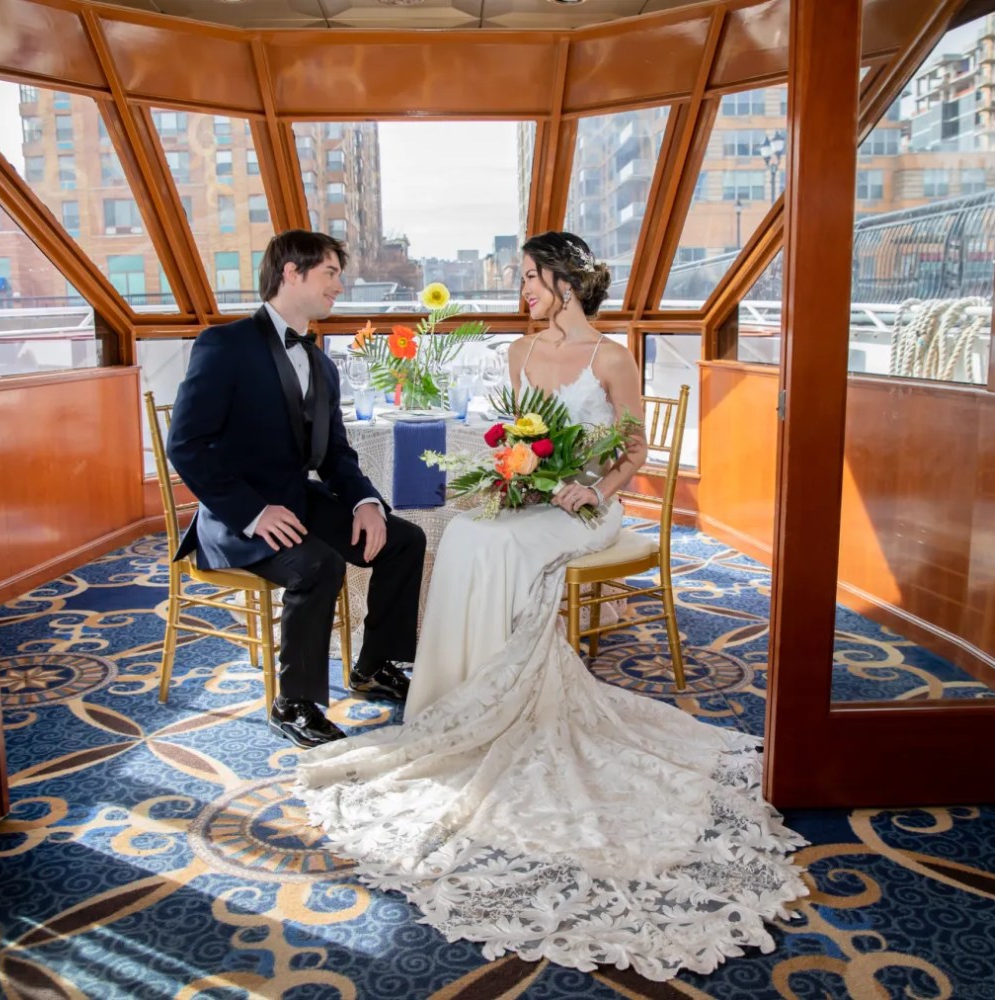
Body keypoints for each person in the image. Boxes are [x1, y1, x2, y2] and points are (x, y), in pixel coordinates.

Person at [295, 232, 807, 982]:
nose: (524, 288)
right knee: (469, 530)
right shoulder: (517, 354)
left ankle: (503, 692)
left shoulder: (612, 357)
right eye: (523, 278)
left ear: (564, 281)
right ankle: (457, 697)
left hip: (590, 506)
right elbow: (518, 438)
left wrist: (590, 488)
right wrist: (518, 473)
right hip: (536, 496)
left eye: (532, 277)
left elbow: (633, 452)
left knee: (492, 546)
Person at [167, 230, 427, 749]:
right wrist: (254, 512)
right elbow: (187, 445)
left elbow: (335, 456)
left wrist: (366, 503)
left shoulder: (323, 365)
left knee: (404, 539)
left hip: (298, 502)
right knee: (318, 563)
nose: (339, 284)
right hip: (237, 517)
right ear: (292, 272)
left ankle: (375, 666)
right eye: (330, 272)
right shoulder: (226, 344)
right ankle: (296, 703)